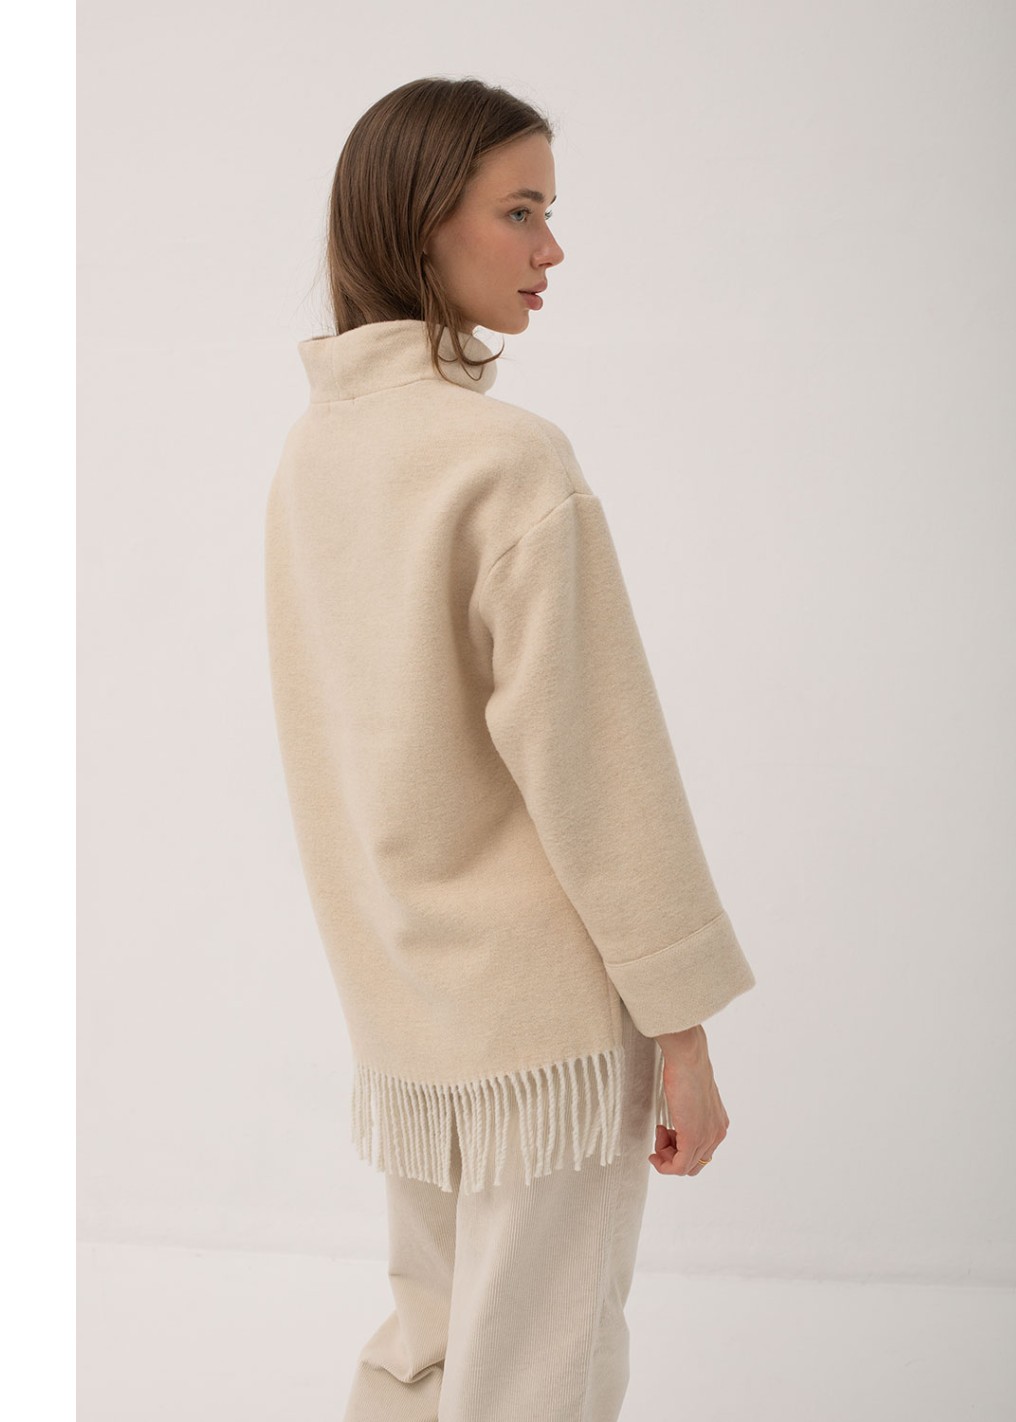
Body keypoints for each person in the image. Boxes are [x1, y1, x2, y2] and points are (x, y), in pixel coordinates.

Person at [263, 75, 757, 1422]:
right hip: (546, 1019)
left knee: (428, 1349)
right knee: (539, 1372)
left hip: (405, 1002)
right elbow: (602, 772)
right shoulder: (509, 460)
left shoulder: (315, 456)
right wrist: (682, 1033)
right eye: (522, 211)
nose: (553, 249)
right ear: (426, 222)